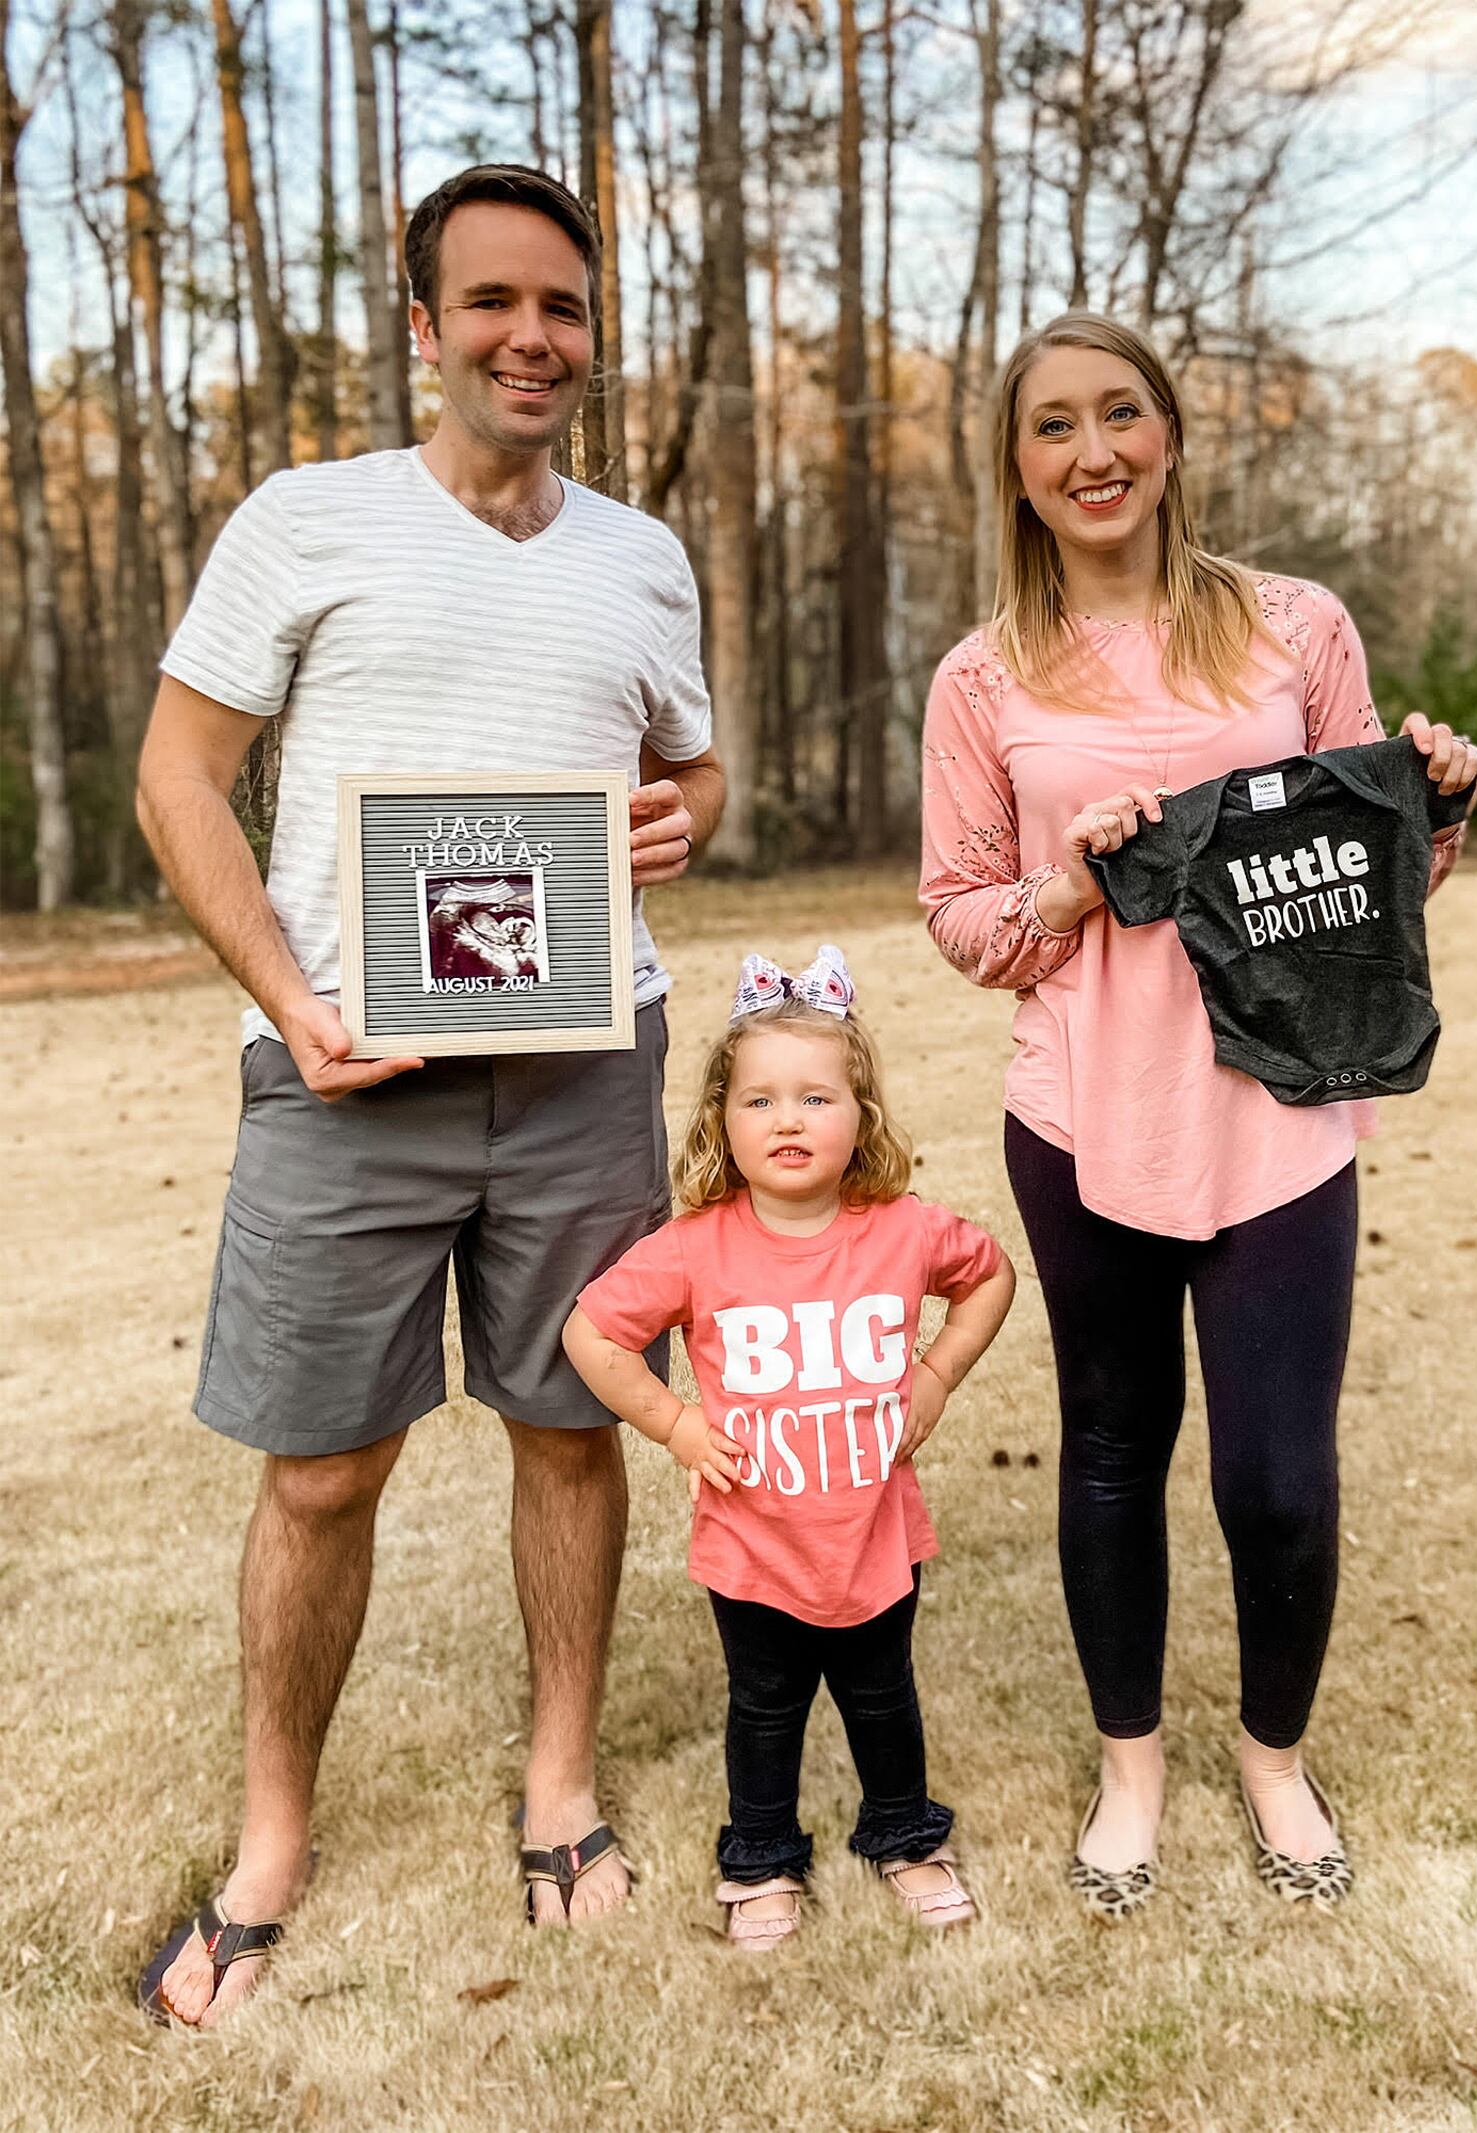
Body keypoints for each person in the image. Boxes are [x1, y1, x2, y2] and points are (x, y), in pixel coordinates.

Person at [134, 164, 725, 2026]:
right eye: (491, 304)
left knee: (572, 1429)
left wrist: (680, 820)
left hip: (581, 1069)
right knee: (320, 1468)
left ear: (590, 332)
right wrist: (293, 1005)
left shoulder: (641, 554)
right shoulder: (304, 524)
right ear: (425, 325)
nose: (529, 337)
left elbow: (695, 780)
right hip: (346, 1075)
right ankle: (270, 1840)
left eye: (560, 307)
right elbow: (176, 776)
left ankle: (561, 1787)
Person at [919, 312, 1477, 1916]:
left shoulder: (1295, 628)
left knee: (1277, 1478)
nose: (1091, 452)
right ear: (1018, 472)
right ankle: (1130, 1772)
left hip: (1278, 1113)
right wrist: (1074, 886)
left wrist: (1435, 806)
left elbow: (1369, 880)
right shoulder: (983, 677)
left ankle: (1275, 1759)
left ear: (1169, 434)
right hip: (1086, 1109)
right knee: (1110, 1448)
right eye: (1053, 430)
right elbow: (963, 921)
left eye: (1121, 416)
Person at [562, 948, 1015, 1947]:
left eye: (817, 1097)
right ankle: (761, 1859)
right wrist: (677, 1423)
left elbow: (990, 1277)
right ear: (723, 1121)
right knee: (764, 1706)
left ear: (863, 1117)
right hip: (752, 1545)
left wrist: (933, 1376)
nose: (790, 1120)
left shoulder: (903, 1232)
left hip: (874, 1535)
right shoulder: (695, 1247)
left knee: (881, 1694)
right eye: (760, 1101)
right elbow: (591, 1332)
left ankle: (903, 1832)